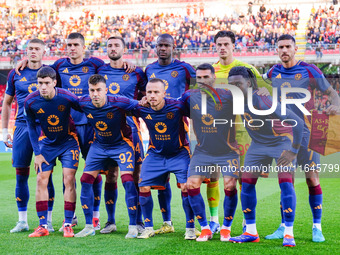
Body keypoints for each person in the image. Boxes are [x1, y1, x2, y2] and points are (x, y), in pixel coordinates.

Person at [263, 34, 340, 242]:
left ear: (295, 49)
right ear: (277, 50)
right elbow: (260, 79)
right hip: (283, 136)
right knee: (285, 181)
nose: (284, 50)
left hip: (310, 132)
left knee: (312, 179)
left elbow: (332, 93)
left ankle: (317, 227)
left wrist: (337, 106)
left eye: (288, 46)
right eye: (281, 47)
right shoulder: (273, 72)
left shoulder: (309, 70)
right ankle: (284, 226)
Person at [227, 66, 304, 247]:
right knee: (246, 184)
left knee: (285, 183)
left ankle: (288, 233)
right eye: (231, 85)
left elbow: (298, 123)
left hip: (280, 143)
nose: (235, 88)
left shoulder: (263, 101)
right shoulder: (233, 99)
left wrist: (293, 150)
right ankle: (251, 232)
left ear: (248, 83)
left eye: (238, 84)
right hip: (257, 146)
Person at [211, 30, 272, 233]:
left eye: (226, 44)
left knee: (245, 181)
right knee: (220, 179)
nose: (222, 48)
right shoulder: (211, 72)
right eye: (219, 44)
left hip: (246, 133)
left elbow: (265, 95)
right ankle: (216, 221)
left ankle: (248, 221)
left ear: (233, 46)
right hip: (220, 135)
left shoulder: (247, 70)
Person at [75, 74, 139, 239]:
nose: (95, 94)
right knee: (85, 180)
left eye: (98, 90)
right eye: (92, 90)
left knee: (127, 180)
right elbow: (65, 101)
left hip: (122, 145)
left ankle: (133, 226)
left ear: (106, 90)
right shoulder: (83, 102)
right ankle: (90, 225)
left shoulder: (119, 102)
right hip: (99, 146)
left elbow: (140, 107)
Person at [132, 78, 196, 240]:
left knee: (186, 187)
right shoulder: (142, 109)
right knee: (143, 186)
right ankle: (148, 227)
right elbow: (123, 107)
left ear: (164, 93)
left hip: (179, 153)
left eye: (156, 92)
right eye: (149, 92)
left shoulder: (178, 106)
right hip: (155, 154)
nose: (152, 96)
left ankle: (191, 227)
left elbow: (198, 112)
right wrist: (139, 102)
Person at [181, 63, 239, 242]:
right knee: (191, 184)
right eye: (199, 78)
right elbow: (174, 109)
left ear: (214, 77)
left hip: (227, 151)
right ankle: (205, 228)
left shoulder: (228, 96)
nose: (202, 81)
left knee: (230, 185)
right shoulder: (189, 97)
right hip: (203, 151)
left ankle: (226, 228)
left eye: (206, 77)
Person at [2, 39, 55, 233]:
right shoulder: (16, 73)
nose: (33, 52)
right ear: (26, 51)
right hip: (22, 127)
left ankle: (48, 220)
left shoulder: (51, 70)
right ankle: (22, 220)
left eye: (37, 49)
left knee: (45, 175)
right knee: (20, 174)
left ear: (44, 51)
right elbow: (7, 103)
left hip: (46, 128)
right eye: (30, 49)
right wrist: (4, 131)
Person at [145, 33, 196, 234]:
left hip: (179, 125)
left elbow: (198, 87)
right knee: (161, 180)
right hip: (156, 126)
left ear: (173, 47)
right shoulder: (149, 69)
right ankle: (167, 222)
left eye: (167, 45)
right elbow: (143, 92)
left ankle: (191, 226)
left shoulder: (184, 68)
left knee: (185, 182)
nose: (163, 48)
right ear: (155, 47)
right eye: (160, 45)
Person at [97, 36, 147, 234]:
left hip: (131, 129)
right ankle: (110, 221)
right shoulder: (99, 70)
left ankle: (138, 221)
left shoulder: (136, 72)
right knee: (111, 175)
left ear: (124, 49)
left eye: (116, 45)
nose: (112, 48)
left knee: (135, 175)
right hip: (107, 131)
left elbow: (145, 97)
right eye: (109, 45)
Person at [24, 66, 80, 238]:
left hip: (69, 142)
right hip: (46, 144)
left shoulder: (67, 97)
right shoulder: (30, 101)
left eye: (47, 83)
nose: (43, 87)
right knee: (41, 179)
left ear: (54, 83)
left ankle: (68, 223)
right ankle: (42, 226)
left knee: (68, 178)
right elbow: (31, 128)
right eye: (40, 83)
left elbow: (86, 110)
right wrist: (37, 153)